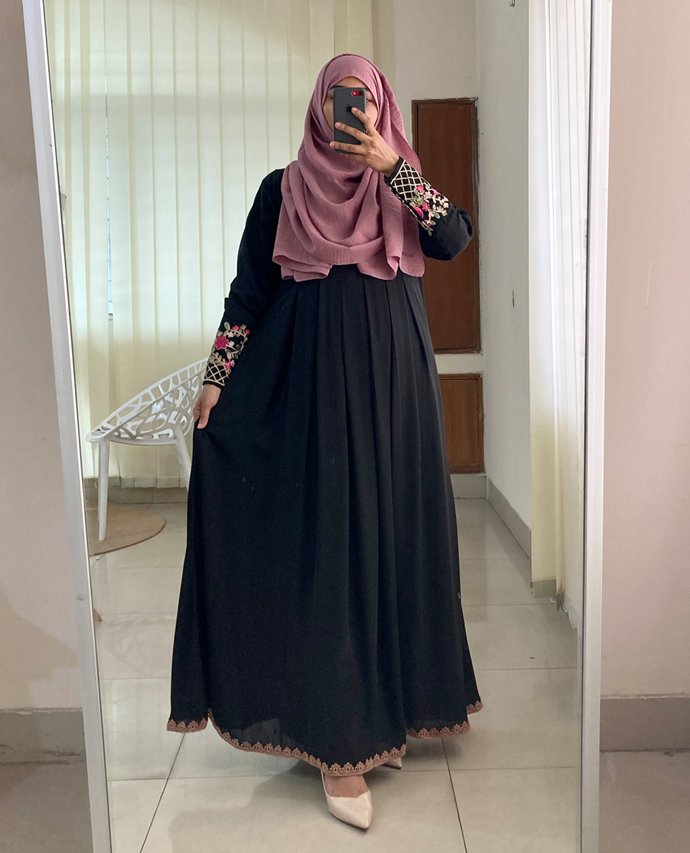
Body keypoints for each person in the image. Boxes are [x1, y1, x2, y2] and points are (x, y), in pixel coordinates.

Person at [167, 53, 483, 830]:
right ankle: (341, 742)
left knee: (396, 539)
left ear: (381, 108)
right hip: (311, 391)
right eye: (341, 101)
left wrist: (392, 165)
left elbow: (454, 238)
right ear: (319, 109)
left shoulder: (398, 181)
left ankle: (391, 707)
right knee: (332, 549)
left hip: (397, 390)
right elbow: (248, 292)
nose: (352, 114)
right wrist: (217, 378)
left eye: (363, 101)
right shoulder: (281, 192)